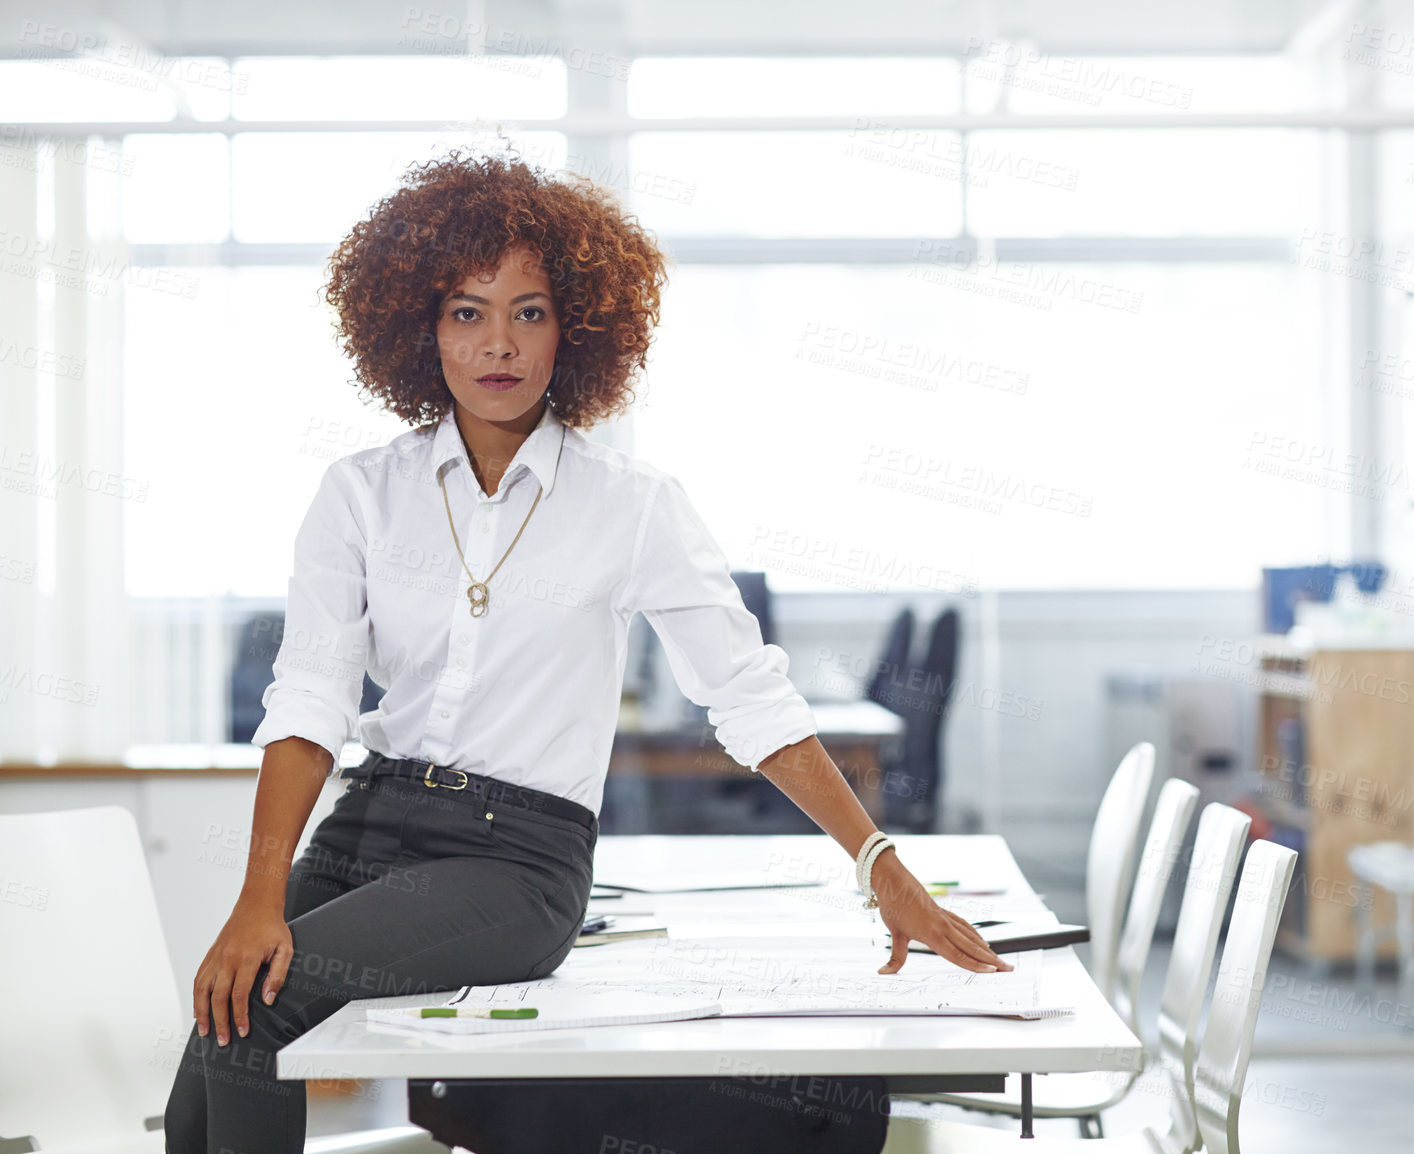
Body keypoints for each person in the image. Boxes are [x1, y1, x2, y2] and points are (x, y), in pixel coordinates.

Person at [162, 145, 1009, 1154]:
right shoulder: (360, 493)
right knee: (213, 1059)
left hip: (514, 856)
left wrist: (880, 864)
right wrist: (258, 896)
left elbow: (749, 697)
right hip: (366, 820)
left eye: (529, 311)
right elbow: (307, 701)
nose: (498, 344)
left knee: (259, 1005)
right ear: (418, 328)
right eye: (466, 312)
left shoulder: (633, 507)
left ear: (575, 329)